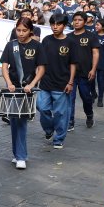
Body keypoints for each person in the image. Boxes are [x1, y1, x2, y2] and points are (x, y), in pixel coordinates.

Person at [0, 17, 46, 169]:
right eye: (18, 30)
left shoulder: (37, 46)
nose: (20, 33)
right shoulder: (10, 45)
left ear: (30, 31)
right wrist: (9, 83)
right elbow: (4, 66)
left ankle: (21, 156)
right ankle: (17, 154)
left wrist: (32, 84)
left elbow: (41, 68)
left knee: (21, 122)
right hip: (13, 89)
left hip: (28, 90)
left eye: (24, 30)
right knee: (14, 121)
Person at [37, 14, 77, 149]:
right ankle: (48, 130)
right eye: (53, 24)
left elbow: (73, 64)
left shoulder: (70, 42)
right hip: (45, 82)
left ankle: (59, 138)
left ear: (64, 26)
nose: (55, 27)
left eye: (58, 24)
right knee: (42, 108)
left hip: (62, 84)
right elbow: (41, 62)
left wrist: (70, 82)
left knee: (60, 114)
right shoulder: (46, 40)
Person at [68, 12, 99, 131]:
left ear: (85, 22)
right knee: (70, 98)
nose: (76, 22)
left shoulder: (91, 36)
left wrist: (93, 69)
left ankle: (89, 114)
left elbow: (96, 53)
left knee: (86, 97)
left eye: (80, 20)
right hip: (71, 74)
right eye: (75, 20)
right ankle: (70, 121)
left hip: (86, 73)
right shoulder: (68, 36)